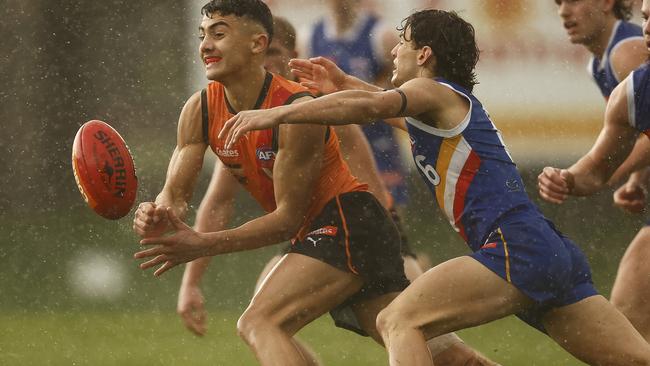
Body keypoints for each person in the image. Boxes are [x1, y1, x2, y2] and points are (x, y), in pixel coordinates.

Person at [219, 8, 650, 365]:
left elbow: (374, 105)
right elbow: (380, 107)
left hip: (513, 246)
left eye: (402, 42)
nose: (393, 50)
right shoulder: (443, 102)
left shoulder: (433, 90)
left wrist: (278, 113)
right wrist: (344, 85)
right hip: (548, 250)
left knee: (398, 321)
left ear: (424, 54)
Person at [134, 1, 493, 365]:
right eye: (203, 35)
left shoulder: (296, 110)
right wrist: (159, 212)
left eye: (219, 34)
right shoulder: (200, 109)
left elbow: (287, 219)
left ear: (257, 44)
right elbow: (177, 195)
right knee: (442, 354)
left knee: (260, 322)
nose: (206, 45)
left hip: (350, 222)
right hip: (331, 230)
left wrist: (201, 245)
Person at [540, 0, 650, 341]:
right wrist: (568, 178)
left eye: (572, 0)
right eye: (646, 17)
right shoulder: (627, 82)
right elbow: (629, 141)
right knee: (629, 317)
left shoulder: (626, 51)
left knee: (630, 319)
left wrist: (621, 175)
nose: (563, 11)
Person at [305, 0, 422, 266]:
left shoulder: (380, 35)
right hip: (341, 149)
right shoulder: (310, 36)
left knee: (392, 227)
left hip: (380, 147)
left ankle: (411, 271)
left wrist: (368, 97)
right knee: (349, 226)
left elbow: (403, 88)